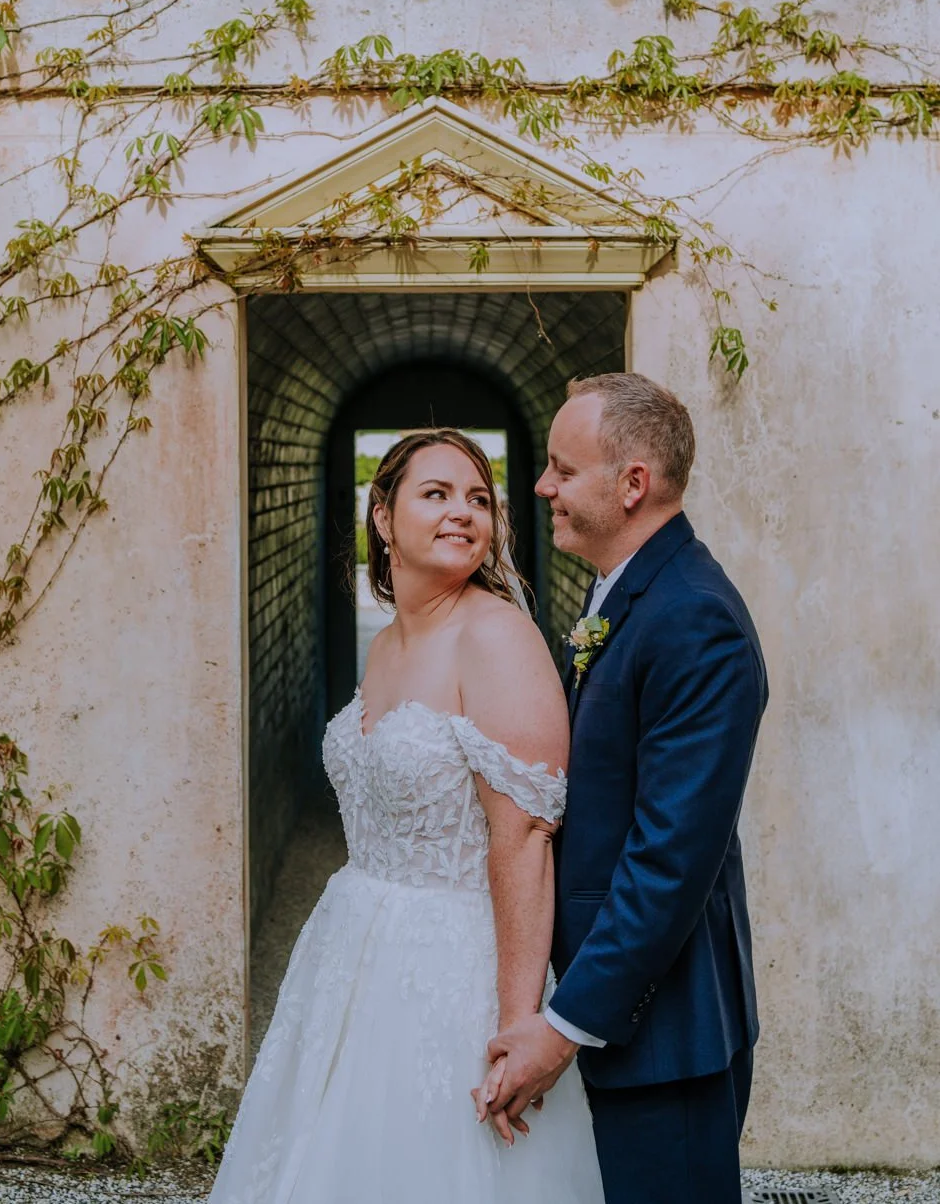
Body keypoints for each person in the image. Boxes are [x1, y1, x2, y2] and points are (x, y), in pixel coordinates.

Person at [207, 428, 604, 1204]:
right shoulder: (388, 643)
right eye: (437, 494)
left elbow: (524, 835)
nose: (464, 512)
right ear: (383, 519)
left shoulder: (494, 635)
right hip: (351, 951)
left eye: (479, 499)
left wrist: (520, 1023)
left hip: (452, 965)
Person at [479, 373, 768, 1204]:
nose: (543, 488)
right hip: (617, 1018)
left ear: (632, 483)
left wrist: (564, 1028)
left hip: (662, 1034)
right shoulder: (630, 593)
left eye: (563, 471)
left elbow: (668, 861)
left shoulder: (694, 619)